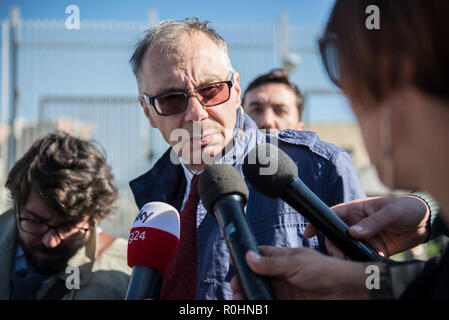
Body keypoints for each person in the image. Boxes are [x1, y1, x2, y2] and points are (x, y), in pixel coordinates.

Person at [128, 18, 366, 300]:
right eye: (171, 99)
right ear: (148, 112)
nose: (196, 113)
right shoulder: (153, 198)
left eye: (210, 90)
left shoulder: (320, 169)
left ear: (236, 89)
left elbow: (372, 283)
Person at [231, 0, 449, 300]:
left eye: (347, 84)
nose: (267, 120)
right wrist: (428, 213)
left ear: (392, 76)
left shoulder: (329, 163)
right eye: (255, 108)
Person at [0, 132, 131, 300]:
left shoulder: (127, 273)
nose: (50, 241)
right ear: (18, 206)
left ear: (95, 218)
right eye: (36, 221)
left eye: (67, 227)